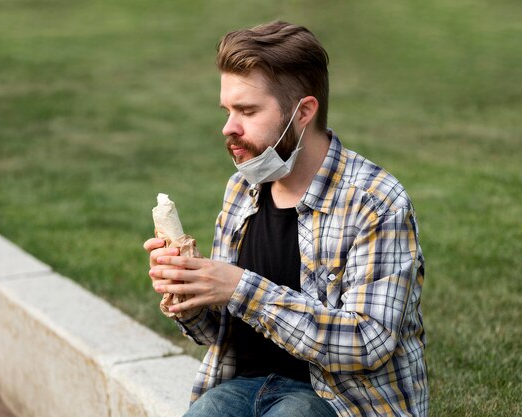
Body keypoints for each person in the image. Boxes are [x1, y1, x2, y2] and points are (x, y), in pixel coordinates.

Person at [144, 21, 428, 417]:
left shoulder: (376, 202)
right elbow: (217, 331)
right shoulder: (242, 189)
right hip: (242, 384)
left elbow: (369, 341)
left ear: (304, 112)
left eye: (247, 110)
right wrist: (188, 291)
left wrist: (240, 287)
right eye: (227, 110)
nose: (228, 127)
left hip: (340, 398)